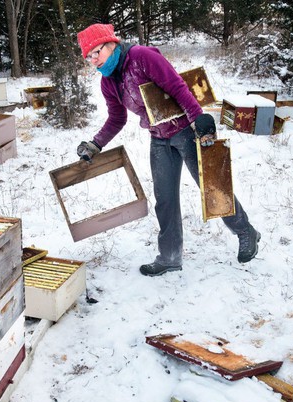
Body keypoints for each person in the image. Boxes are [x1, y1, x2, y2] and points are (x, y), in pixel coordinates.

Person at [76, 23, 260, 277]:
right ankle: (170, 257)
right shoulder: (109, 83)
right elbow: (116, 119)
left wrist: (198, 118)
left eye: (96, 53)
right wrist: (96, 143)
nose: (94, 61)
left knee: (212, 188)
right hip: (159, 138)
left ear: (111, 43)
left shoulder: (142, 57)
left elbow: (177, 86)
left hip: (186, 131)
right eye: (88, 58)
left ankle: (245, 231)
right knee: (165, 199)